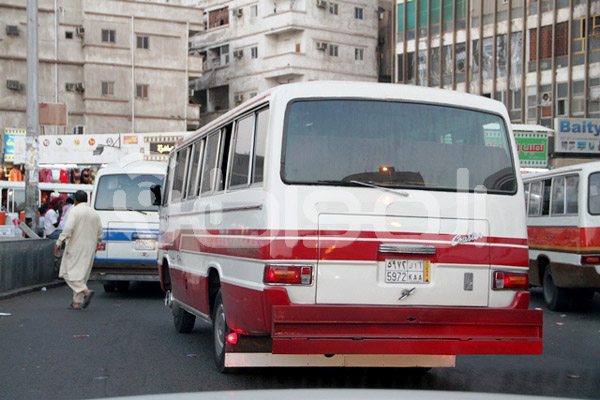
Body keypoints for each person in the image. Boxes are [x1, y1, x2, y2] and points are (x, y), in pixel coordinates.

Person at [55, 190, 103, 310]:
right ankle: (76, 302)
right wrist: (95, 245)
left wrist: (59, 241)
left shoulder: (75, 211)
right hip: (90, 248)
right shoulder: (94, 213)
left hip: (75, 246)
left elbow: (68, 228)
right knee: (81, 275)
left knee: (67, 273)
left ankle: (86, 292)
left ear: (75, 200)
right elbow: (100, 234)